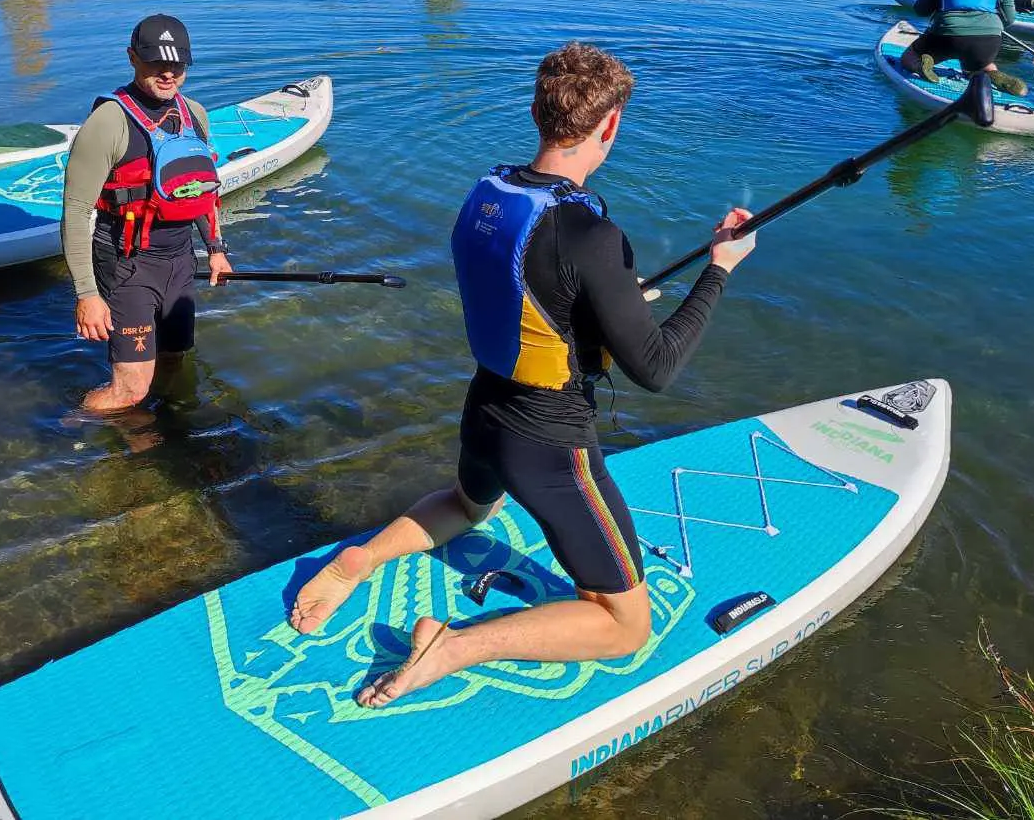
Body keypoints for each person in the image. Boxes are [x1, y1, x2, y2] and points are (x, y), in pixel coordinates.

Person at [287, 42, 757, 708]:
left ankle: (361, 559)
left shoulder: (489, 191)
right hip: (550, 441)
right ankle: (451, 647)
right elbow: (655, 367)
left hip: (486, 408)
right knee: (627, 625)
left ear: (538, 112)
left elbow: (527, 294)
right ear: (611, 124)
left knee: (470, 505)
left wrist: (610, 302)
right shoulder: (590, 235)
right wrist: (719, 268)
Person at [62, 14, 233, 412]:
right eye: (156, 62)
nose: (168, 73)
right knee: (130, 391)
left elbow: (202, 191)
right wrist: (87, 294)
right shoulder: (108, 122)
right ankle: (69, 428)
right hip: (128, 265)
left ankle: (162, 429)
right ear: (132, 58)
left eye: (177, 64)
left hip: (180, 261)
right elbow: (75, 212)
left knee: (175, 358)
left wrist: (216, 249)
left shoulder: (194, 114)